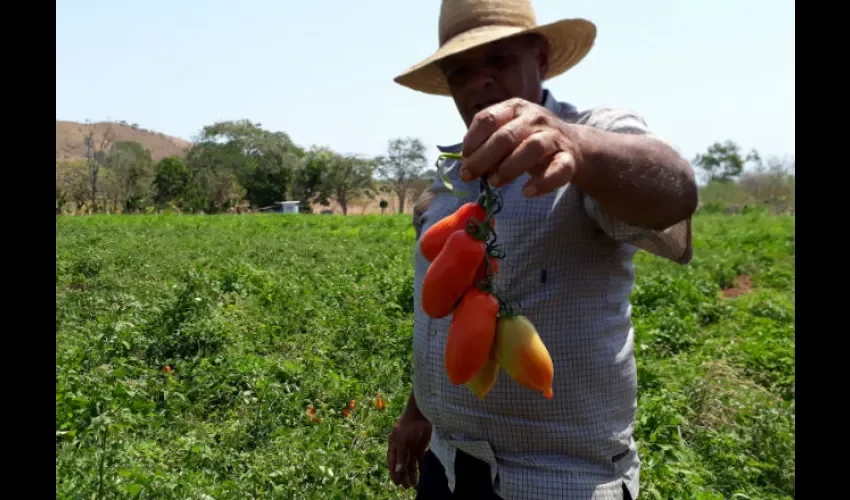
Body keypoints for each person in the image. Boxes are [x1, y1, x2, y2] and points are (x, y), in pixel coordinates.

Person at [387, 1, 698, 499]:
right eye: (461, 71)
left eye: (500, 60)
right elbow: (446, 315)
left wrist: (576, 146)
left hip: (557, 479)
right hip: (445, 463)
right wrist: (417, 410)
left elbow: (675, 191)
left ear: (542, 59)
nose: (480, 82)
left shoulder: (593, 134)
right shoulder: (449, 177)